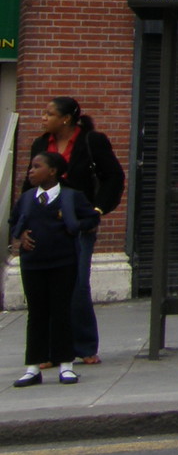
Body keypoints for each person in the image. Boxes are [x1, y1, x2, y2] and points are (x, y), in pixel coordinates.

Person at [30, 95, 124, 366]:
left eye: (49, 114)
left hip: (79, 223)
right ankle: (49, 350)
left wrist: (97, 210)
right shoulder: (40, 143)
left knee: (77, 284)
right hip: (47, 225)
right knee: (48, 286)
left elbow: (114, 176)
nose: (43, 118)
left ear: (66, 119)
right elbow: (31, 182)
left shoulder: (91, 141)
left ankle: (83, 345)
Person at [10, 152, 94, 386]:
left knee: (61, 311)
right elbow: (14, 221)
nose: (31, 171)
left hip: (62, 262)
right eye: (31, 167)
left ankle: (66, 364)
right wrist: (20, 234)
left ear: (53, 171)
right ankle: (33, 367)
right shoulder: (27, 198)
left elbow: (90, 219)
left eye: (37, 167)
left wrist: (75, 226)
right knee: (36, 313)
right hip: (33, 264)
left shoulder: (70, 197)